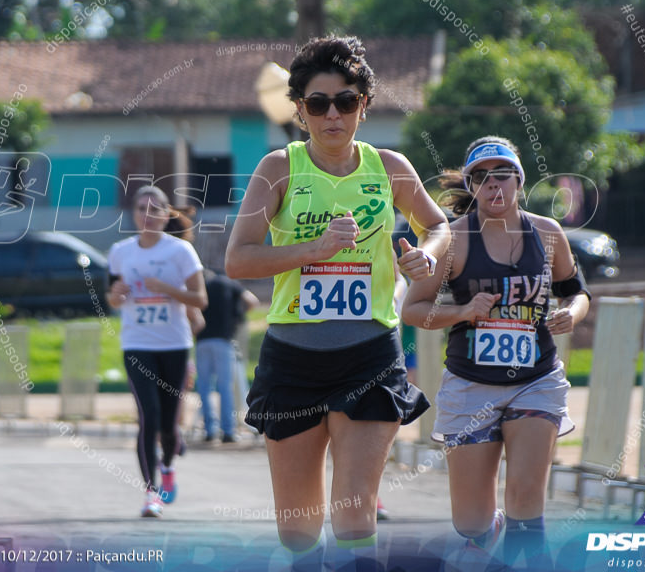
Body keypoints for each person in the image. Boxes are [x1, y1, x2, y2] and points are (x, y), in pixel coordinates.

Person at [225, 35, 450, 572]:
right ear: (299, 110)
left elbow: (438, 224)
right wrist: (315, 249)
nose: (333, 114)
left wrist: (425, 254)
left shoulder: (390, 166)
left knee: (354, 519)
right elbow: (238, 261)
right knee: (300, 531)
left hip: (369, 354)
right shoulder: (278, 169)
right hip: (294, 359)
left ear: (364, 107)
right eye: (319, 103)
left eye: (346, 101)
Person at [402, 136, 591, 569]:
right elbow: (413, 311)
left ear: (518, 181)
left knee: (527, 499)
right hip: (470, 385)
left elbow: (577, 293)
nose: (494, 186)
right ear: (471, 186)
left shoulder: (547, 233)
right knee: (471, 524)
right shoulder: (453, 239)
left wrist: (571, 315)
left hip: (536, 380)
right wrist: (465, 310)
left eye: (502, 176)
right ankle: (489, 533)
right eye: (482, 178)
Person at [106, 185, 208, 518]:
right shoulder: (121, 251)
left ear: (166, 215)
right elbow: (112, 298)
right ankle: (151, 493)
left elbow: (200, 300)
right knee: (147, 415)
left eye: (155, 209)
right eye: (141, 209)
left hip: (174, 344)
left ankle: (167, 467)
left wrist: (165, 288)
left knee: (168, 423)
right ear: (132, 214)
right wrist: (116, 295)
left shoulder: (180, 252)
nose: (147, 216)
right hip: (137, 344)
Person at [196, 268, 259, 443]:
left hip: (202, 341)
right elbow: (252, 301)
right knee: (225, 387)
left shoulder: (200, 286)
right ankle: (228, 431)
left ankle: (209, 430)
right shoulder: (229, 284)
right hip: (223, 340)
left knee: (204, 387)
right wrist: (237, 314)